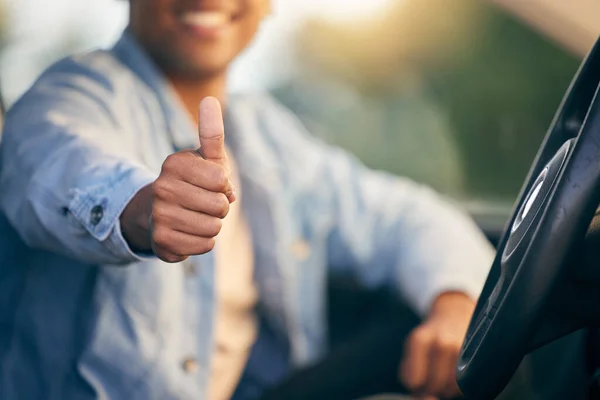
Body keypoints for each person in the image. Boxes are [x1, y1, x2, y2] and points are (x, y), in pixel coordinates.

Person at [0, 0, 495, 399]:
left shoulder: (271, 138)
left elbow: (404, 217)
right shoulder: (74, 93)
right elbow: (55, 162)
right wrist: (141, 208)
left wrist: (454, 302)